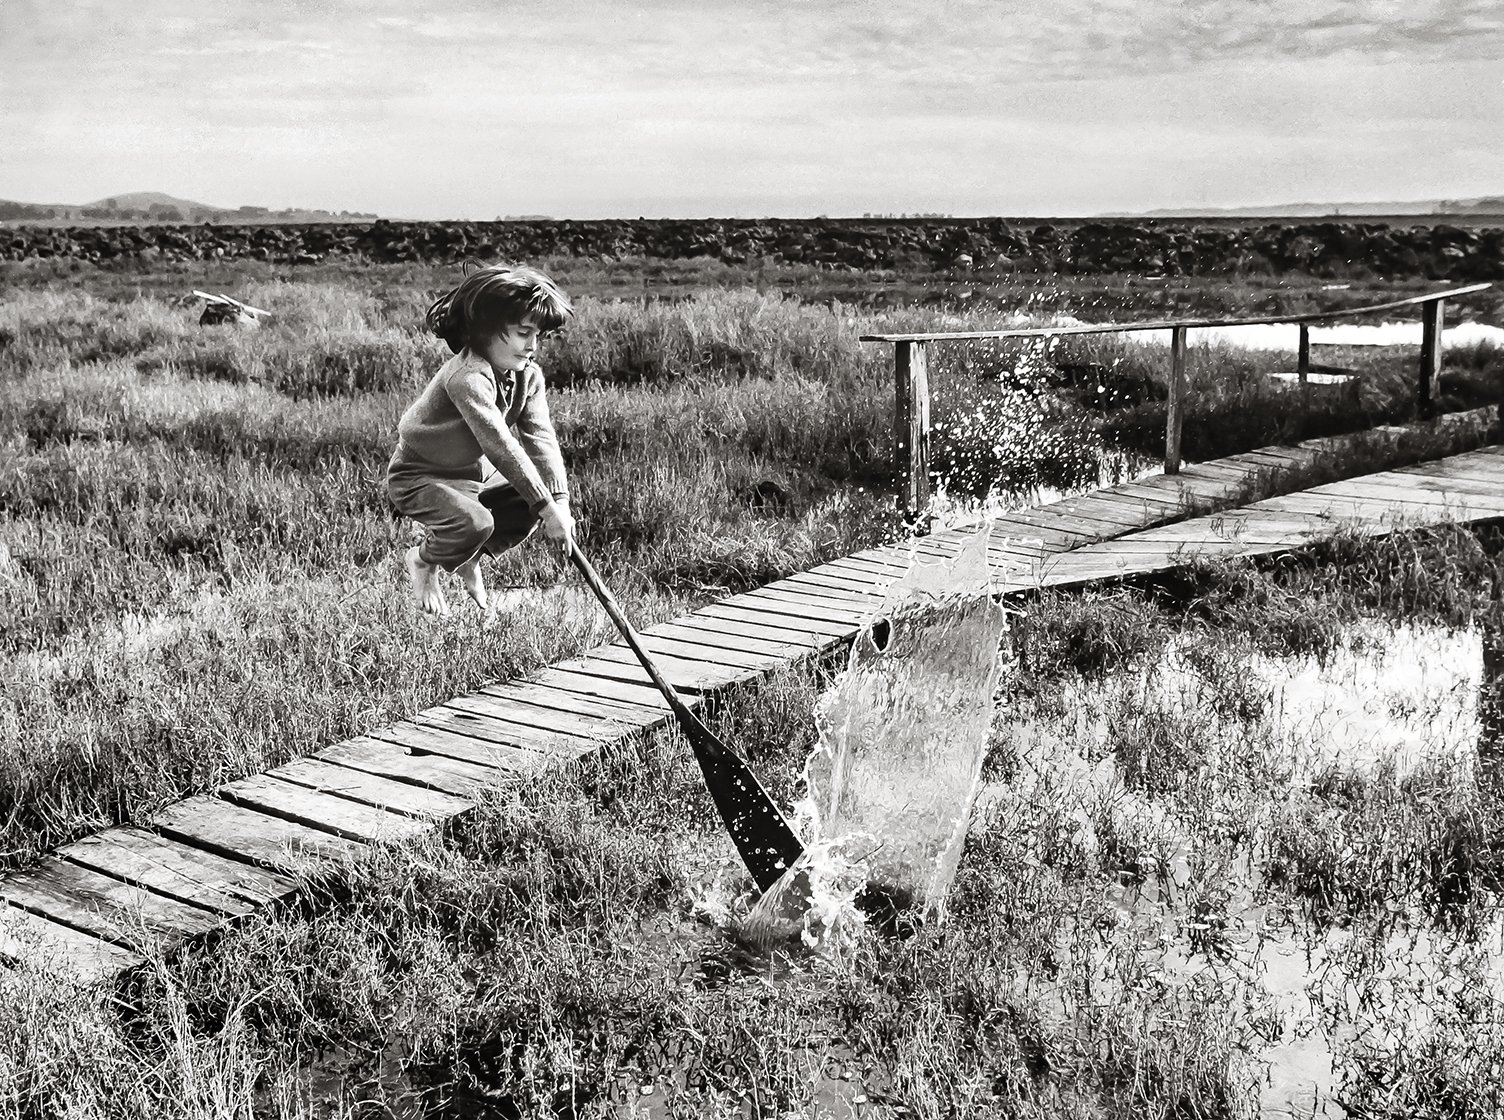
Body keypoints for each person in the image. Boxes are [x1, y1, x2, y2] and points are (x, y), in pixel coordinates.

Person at [387, 263, 576, 614]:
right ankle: (423, 561)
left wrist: (558, 502)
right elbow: (500, 445)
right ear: (486, 329)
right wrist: (547, 507)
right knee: (476, 523)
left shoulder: (528, 377)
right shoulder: (467, 377)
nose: (533, 346)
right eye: (523, 333)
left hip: (474, 476)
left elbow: (540, 438)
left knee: (532, 501)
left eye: (538, 335)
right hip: (420, 476)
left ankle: (468, 557)